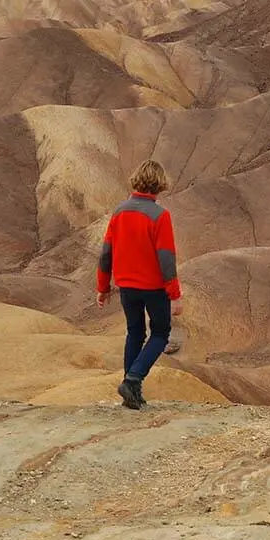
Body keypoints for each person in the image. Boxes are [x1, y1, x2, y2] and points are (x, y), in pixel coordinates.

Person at [96, 159, 182, 410]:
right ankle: (133, 379)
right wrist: (174, 293)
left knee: (134, 332)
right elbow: (166, 257)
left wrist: (103, 288)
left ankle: (131, 391)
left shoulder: (119, 212)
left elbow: (105, 254)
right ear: (160, 185)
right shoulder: (160, 215)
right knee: (160, 333)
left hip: (126, 287)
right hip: (153, 287)